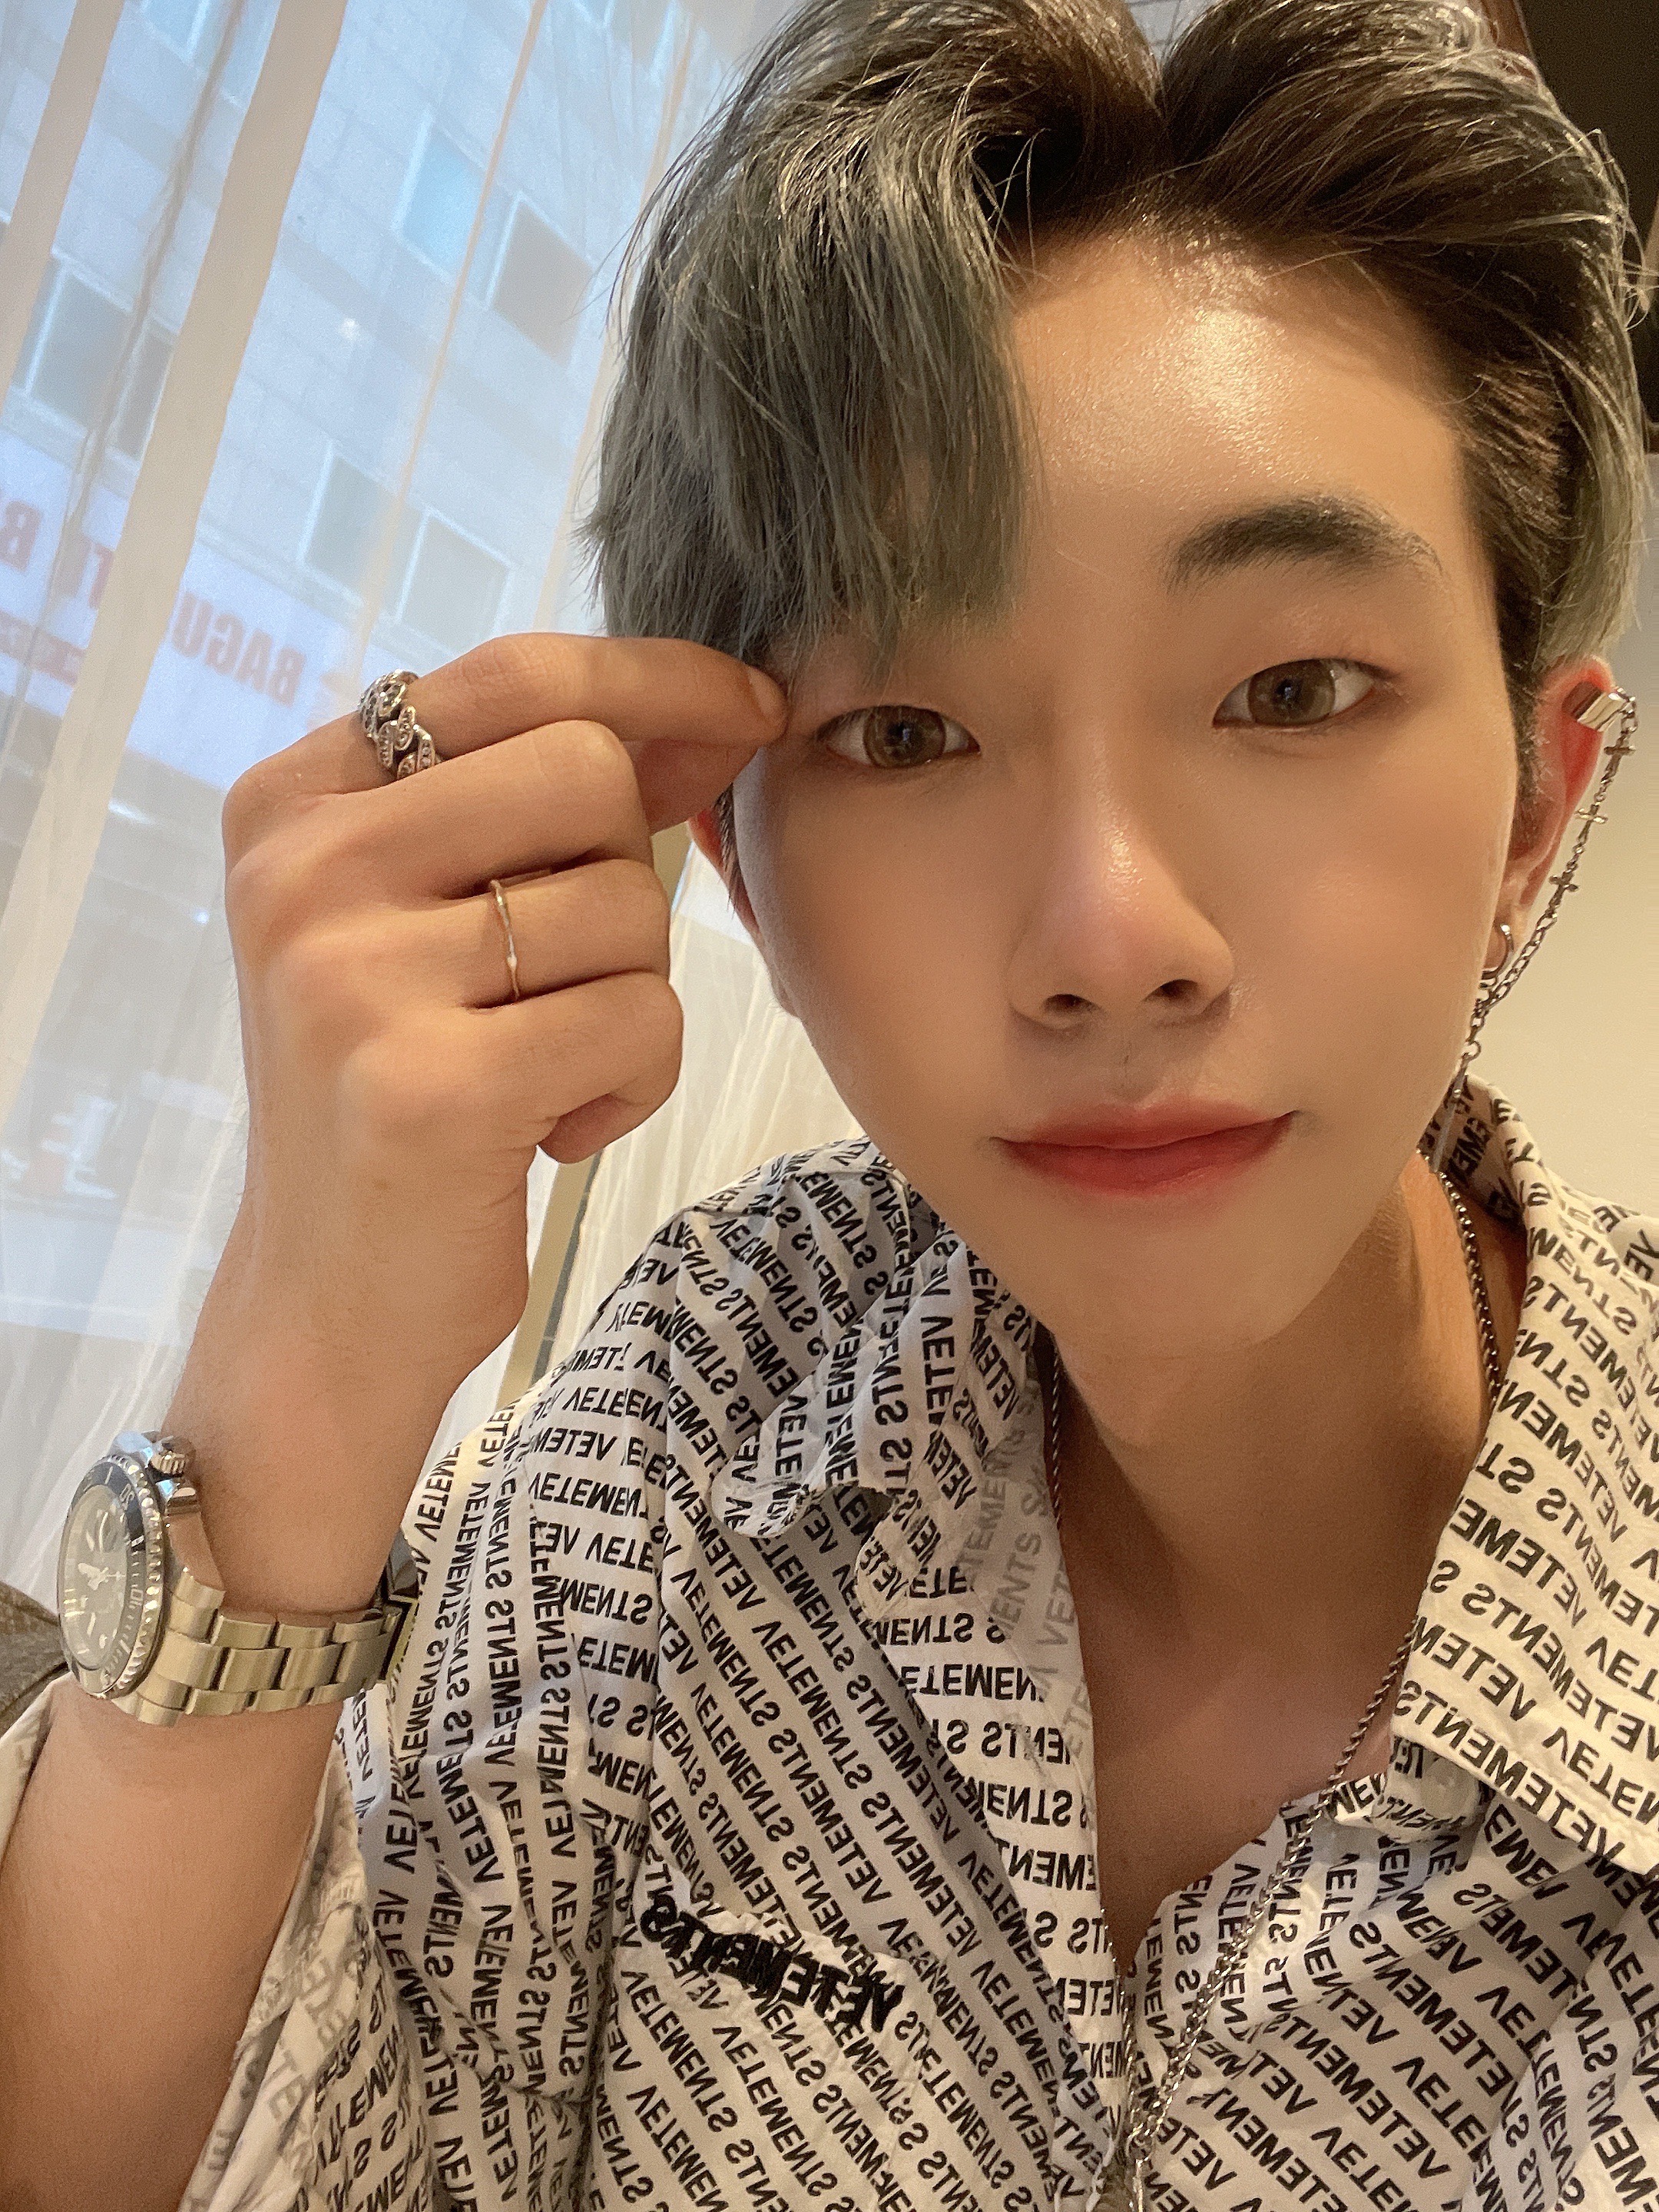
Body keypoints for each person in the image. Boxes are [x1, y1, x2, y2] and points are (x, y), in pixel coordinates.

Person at [0, 0, 1652, 2204]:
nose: (1110, 936)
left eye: (1294, 687)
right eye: (905, 733)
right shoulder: (697, 1419)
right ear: (744, 877)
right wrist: (308, 1353)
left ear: (1539, 805)